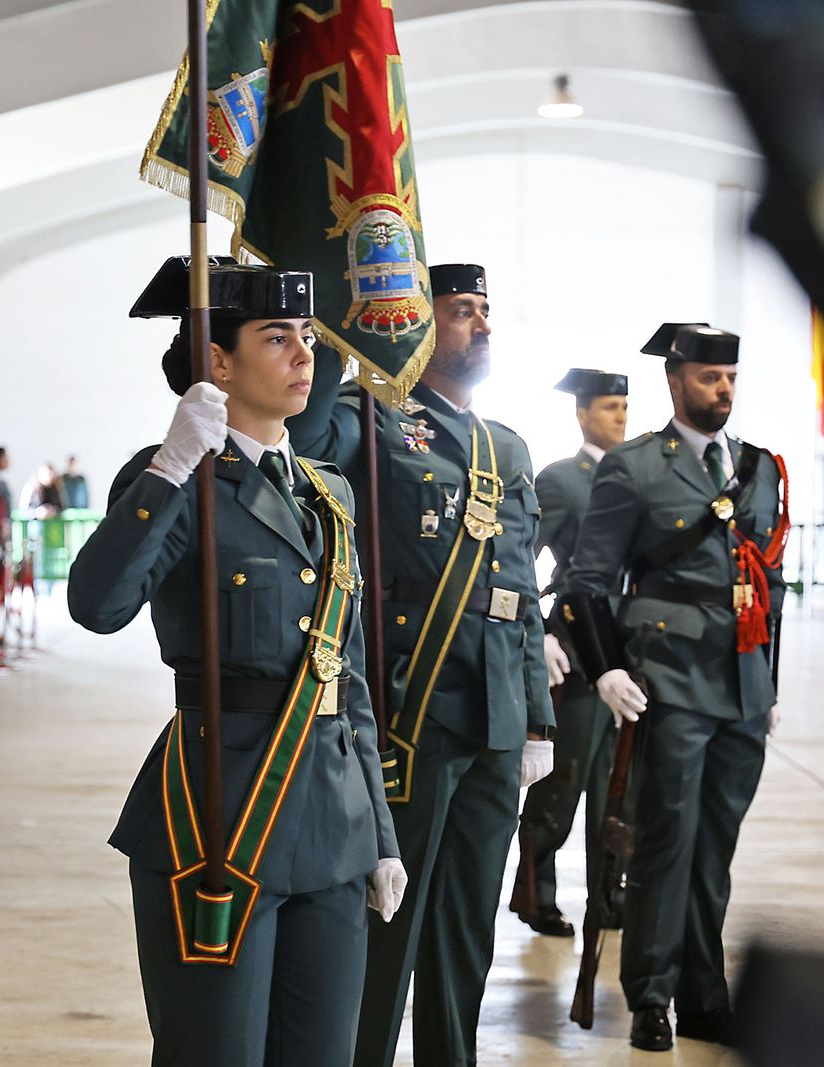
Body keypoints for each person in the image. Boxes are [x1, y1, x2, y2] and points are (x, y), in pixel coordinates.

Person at [69, 257, 404, 1065]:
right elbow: (97, 604)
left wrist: (382, 833)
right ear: (218, 363)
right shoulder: (177, 480)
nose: (303, 357)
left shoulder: (328, 494)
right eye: (277, 337)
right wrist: (171, 468)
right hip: (218, 813)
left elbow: (346, 676)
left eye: (307, 338)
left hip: (333, 822)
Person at [287, 263, 555, 1067]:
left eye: (485, 312)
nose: (481, 325)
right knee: (385, 924)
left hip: (497, 715)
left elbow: (520, 589)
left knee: (468, 925)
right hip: (411, 712)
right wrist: (338, 341)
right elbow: (298, 444)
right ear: (419, 325)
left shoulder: (506, 445)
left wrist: (538, 715)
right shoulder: (367, 419)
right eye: (462, 310)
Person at [562, 322, 788, 1052]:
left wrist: (770, 682)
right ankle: (651, 993)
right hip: (671, 680)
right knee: (666, 839)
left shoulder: (756, 468)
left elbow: (767, 582)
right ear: (676, 379)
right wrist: (607, 668)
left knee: (715, 846)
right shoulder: (635, 467)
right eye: (708, 378)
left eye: (729, 379)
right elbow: (587, 582)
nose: (722, 389)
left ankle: (704, 993)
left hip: (742, 686)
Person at [511, 368, 629, 938]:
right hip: (576, 651)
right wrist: (540, 634)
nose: (621, 419)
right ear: (582, 414)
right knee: (566, 780)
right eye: (609, 408)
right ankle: (537, 894)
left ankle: (609, 895)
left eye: (625, 409)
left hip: (627, 650)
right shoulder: (562, 479)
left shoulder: (635, 477)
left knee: (617, 785)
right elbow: (520, 561)